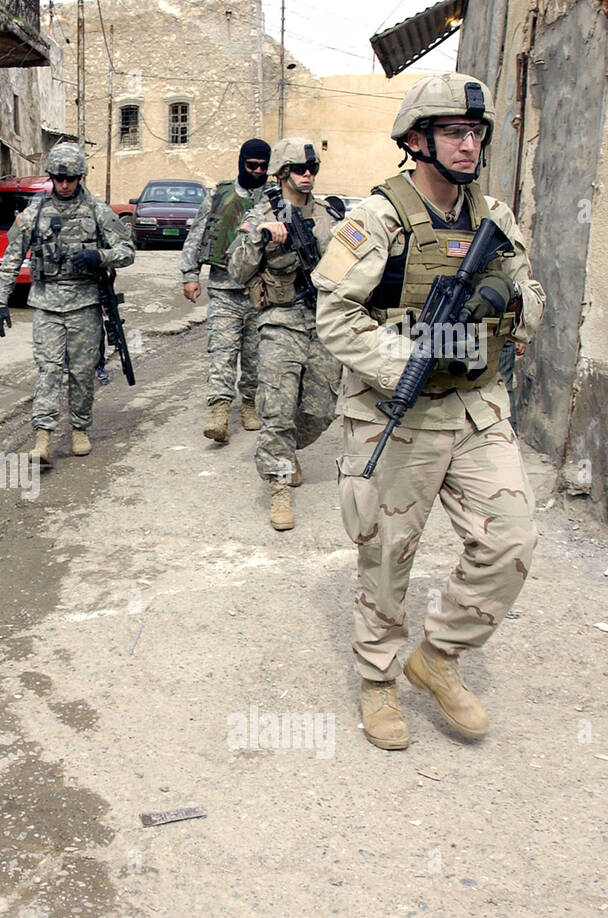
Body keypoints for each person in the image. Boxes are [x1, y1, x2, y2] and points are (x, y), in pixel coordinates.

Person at [311, 73, 545, 750]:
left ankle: (438, 657)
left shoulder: (495, 221)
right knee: (386, 556)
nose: (469, 145)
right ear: (417, 140)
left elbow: (534, 301)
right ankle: (378, 679)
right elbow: (335, 316)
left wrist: (504, 295)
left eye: (475, 133)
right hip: (396, 411)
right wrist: (408, 358)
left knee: (512, 539)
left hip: (476, 410)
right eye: (453, 132)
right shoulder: (377, 219)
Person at [0, 142, 134, 463]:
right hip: (46, 305)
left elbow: (127, 250)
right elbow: (12, 257)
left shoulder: (97, 211)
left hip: (84, 305)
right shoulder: (35, 213)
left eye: (71, 179)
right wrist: (0, 300)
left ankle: (80, 428)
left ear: (80, 177)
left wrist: (99, 255)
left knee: (83, 371)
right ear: (51, 177)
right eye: (59, 178)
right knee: (48, 370)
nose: (65, 184)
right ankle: (43, 437)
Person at [229, 138, 342, 531]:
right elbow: (237, 272)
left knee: (320, 411)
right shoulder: (260, 213)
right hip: (280, 320)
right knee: (276, 408)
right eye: (299, 168)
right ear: (281, 173)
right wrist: (260, 236)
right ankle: (279, 486)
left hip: (324, 322)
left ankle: (287, 450)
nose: (307, 174)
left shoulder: (332, 215)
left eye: (312, 168)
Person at [180, 138, 270, 443]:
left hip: (261, 292)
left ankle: (249, 405)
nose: (257, 171)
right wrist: (190, 275)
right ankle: (219, 414)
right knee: (222, 352)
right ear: (241, 163)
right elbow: (196, 236)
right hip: (223, 288)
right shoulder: (219, 196)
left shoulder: (273, 199)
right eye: (251, 166)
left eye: (262, 166)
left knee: (256, 357)